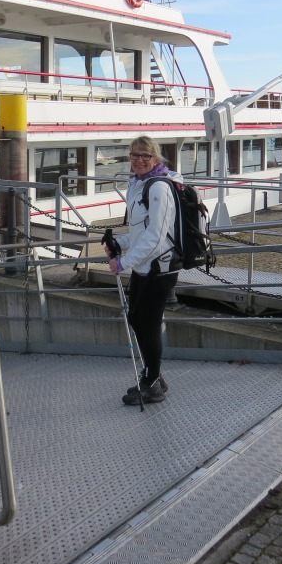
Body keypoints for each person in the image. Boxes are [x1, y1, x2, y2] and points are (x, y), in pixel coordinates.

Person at [103, 135, 182, 406]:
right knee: (136, 318)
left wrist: (124, 261)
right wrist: (120, 243)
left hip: (159, 268)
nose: (138, 160)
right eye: (134, 155)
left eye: (145, 156)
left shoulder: (159, 188)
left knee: (148, 325)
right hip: (143, 266)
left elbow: (157, 236)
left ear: (155, 159)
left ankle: (151, 383)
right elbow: (140, 232)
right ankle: (154, 375)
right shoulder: (137, 184)